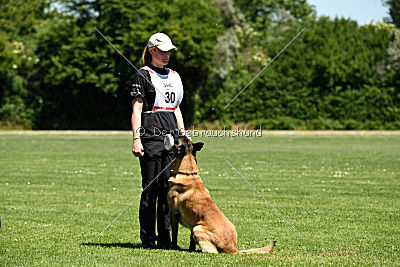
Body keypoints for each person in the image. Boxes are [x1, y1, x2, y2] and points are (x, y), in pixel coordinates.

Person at [130, 32, 186, 249]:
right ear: (152, 50)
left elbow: (176, 108)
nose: (166, 55)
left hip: (172, 136)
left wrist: (183, 134)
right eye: (162, 51)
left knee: (167, 190)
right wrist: (137, 138)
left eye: (169, 52)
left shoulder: (175, 76)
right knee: (150, 190)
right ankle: (147, 239)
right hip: (150, 136)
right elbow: (136, 109)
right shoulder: (143, 75)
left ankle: (166, 240)